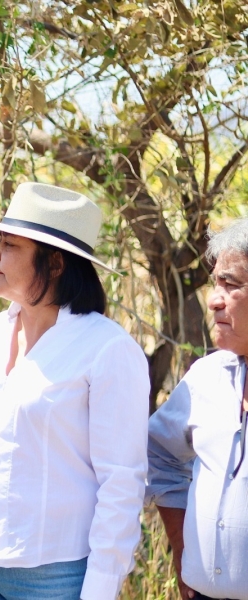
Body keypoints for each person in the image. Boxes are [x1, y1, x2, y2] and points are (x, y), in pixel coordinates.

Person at [0, 182, 150, 600]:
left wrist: (100, 590)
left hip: (53, 577)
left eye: (10, 245)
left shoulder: (109, 350)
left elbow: (121, 482)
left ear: (55, 263)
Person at [146, 219, 248, 600]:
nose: (214, 299)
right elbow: (159, 454)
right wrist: (181, 544)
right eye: (215, 283)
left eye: (231, 284)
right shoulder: (206, 378)